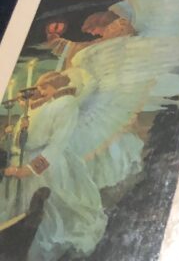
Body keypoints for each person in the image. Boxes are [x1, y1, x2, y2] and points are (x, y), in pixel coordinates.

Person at [3, 71, 105, 261]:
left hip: (48, 166)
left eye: (44, 87)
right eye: (39, 88)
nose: (39, 92)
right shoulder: (44, 104)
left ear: (56, 86)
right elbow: (29, 136)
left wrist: (31, 169)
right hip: (27, 160)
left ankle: (39, 251)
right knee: (20, 206)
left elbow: (58, 144)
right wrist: (17, 132)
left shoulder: (67, 104)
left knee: (48, 210)